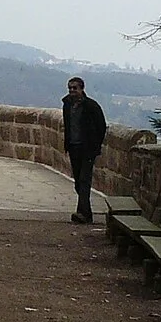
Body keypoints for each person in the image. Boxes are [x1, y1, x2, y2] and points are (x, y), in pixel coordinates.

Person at [62, 76, 108, 224]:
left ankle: (82, 213)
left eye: (75, 88)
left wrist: (95, 146)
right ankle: (86, 213)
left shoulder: (91, 106)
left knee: (84, 180)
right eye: (70, 88)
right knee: (77, 181)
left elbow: (101, 126)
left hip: (87, 149)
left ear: (82, 89)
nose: (72, 91)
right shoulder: (67, 105)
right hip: (73, 147)